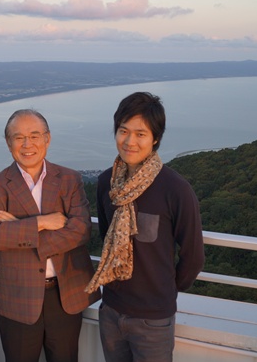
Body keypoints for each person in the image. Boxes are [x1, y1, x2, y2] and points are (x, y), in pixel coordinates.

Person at [85, 92, 205, 362]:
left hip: (153, 320)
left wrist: (163, 291)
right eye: (123, 131)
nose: (129, 141)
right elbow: (107, 237)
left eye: (140, 134)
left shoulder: (175, 189)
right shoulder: (107, 183)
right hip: (112, 310)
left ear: (155, 138)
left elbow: (193, 256)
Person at [0, 109, 100, 362]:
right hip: (18, 297)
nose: (27, 144)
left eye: (34, 136)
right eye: (18, 137)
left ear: (48, 138)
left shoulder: (69, 179)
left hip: (65, 294)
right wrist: (42, 222)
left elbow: (80, 230)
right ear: (8, 142)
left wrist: (18, 229)